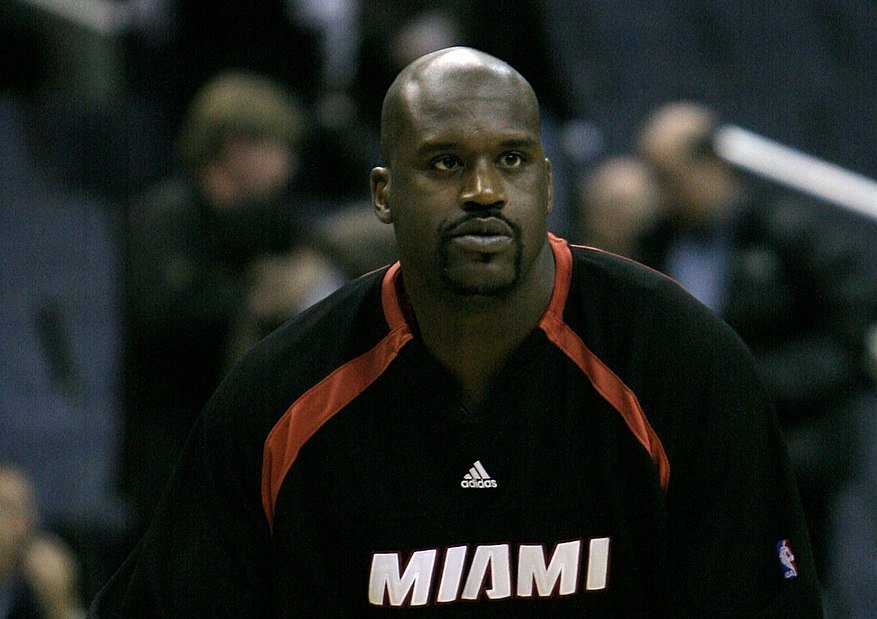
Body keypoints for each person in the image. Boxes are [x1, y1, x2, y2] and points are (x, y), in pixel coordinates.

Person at [90, 47, 822, 616]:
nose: (482, 190)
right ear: (383, 194)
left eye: (510, 159)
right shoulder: (280, 396)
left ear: (545, 179)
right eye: (444, 162)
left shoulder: (677, 362)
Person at [634, 101, 877, 601]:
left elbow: (850, 332)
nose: (662, 195)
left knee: (811, 587)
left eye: (670, 178)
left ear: (712, 166)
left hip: (798, 452)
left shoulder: (788, 233)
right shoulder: (654, 244)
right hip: (701, 459)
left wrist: (756, 382)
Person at [121, 71, 346, 536]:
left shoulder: (272, 219)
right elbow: (165, 314)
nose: (288, 166)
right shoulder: (164, 217)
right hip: (171, 451)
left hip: (247, 447)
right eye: (278, 149)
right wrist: (258, 298)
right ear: (236, 147)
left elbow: (310, 277)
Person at [0, 462, 86, 619]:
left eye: (26, 508)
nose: (25, 524)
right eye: (8, 509)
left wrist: (61, 606)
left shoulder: (31, 596)